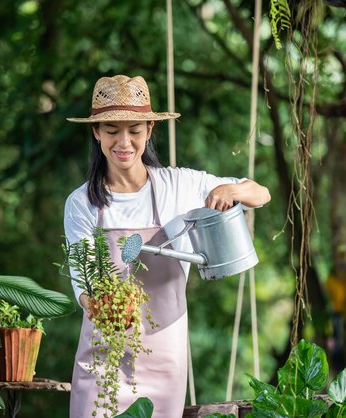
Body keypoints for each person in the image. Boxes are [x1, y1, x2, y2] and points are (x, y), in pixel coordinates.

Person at [64, 74, 270, 418]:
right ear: (96, 133)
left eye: (134, 130)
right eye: (112, 130)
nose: (123, 142)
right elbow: (82, 282)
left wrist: (229, 191)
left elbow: (260, 193)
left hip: (164, 354)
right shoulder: (82, 203)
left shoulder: (179, 185)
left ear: (149, 131)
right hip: (105, 353)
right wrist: (107, 310)